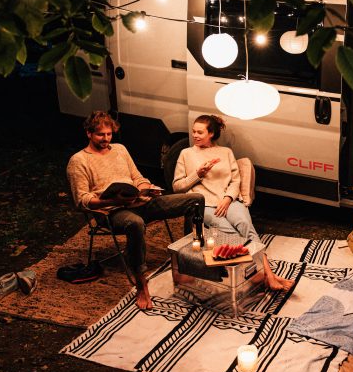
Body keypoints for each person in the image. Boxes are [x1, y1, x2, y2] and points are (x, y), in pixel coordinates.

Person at [67, 111, 204, 310]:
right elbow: (82, 200)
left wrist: (146, 188)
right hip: (111, 212)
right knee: (135, 223)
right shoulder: (79, 161)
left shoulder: (120, 150)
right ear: (89, 133)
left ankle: (190, 257)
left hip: (139, 202)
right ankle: (142, 283)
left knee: (196, 200)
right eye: (100, 135)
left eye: (109, 134)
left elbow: (137, 177)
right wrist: (112, 200)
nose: (106, 139)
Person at [172, 114, 294, 291]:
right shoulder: (186, 154)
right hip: (204, 204)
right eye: (194, 132)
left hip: (228, 201)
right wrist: (197, 174)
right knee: (230, 232)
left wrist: (228, 199)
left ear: (211, 133)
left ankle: (267, 275)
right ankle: (266, 275)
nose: (195, 135)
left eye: (200, 132)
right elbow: (177, 186)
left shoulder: (226, 152)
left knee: (245, 225)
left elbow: (235, 181)